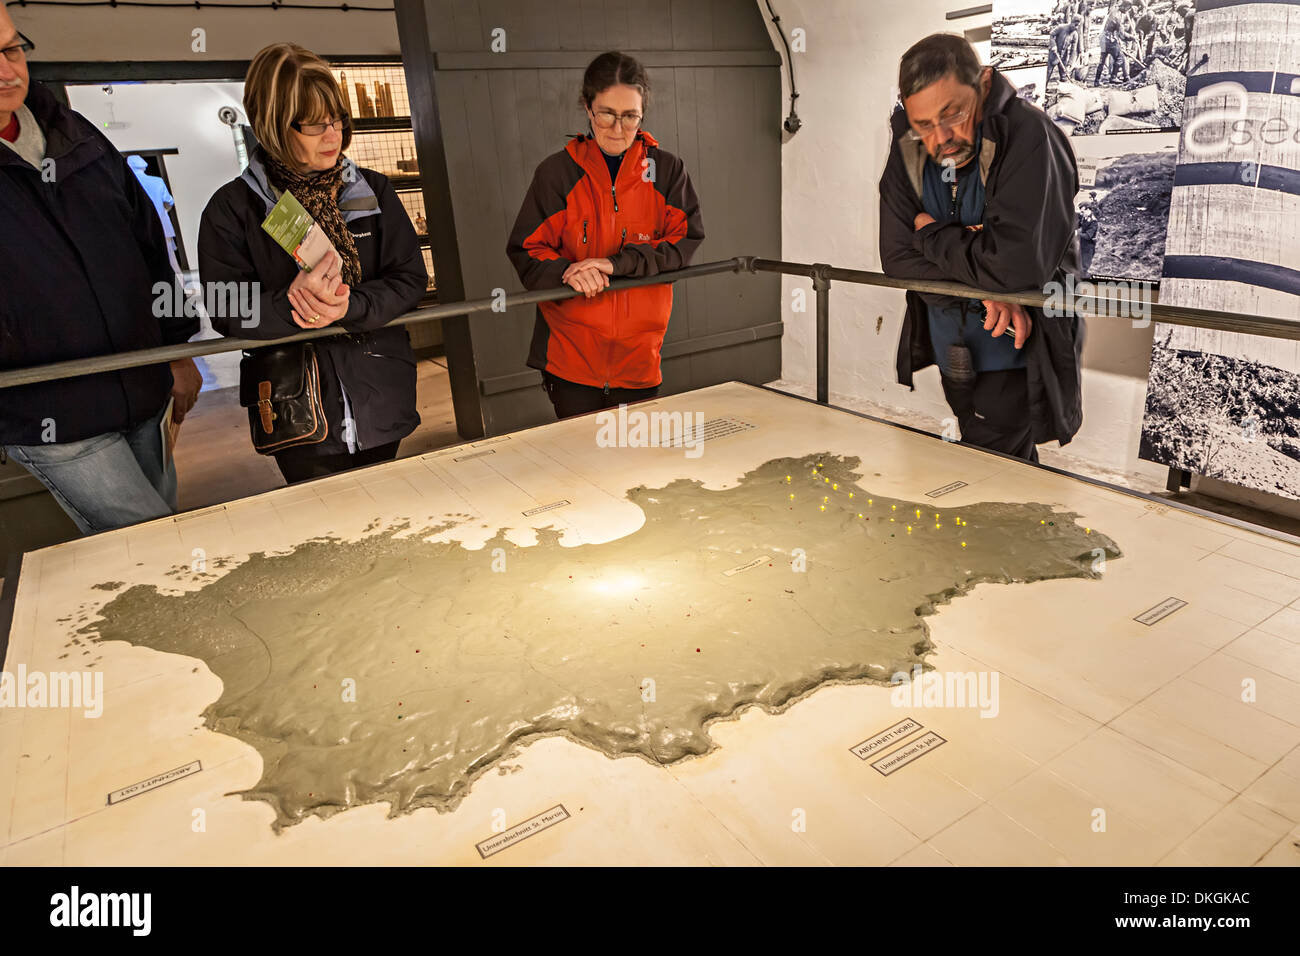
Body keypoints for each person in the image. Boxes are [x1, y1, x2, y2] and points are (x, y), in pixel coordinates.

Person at [0, 7, 202, 534]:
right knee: (154, 541)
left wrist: (176, 350)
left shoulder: (73, 130)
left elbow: (148, 244)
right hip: (50, 408)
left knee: (156, 538)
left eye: (11, 48)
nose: (7, 70)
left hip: (141, 386)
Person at [198, 43, 427, 484]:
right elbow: (226, 306)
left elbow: (409, 279)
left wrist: (350, 307)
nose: (333, 134)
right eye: (314, 124)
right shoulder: (234, 209)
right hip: (298, 408)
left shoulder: (372, 191)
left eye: (338, 119)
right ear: (271, 123)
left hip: (381, 393)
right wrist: (294, 305)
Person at [878, 33, 1085, 462]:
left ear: (984, 82)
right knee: (998, 464)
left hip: (1016, 344)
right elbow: (897, 258)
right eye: (923, 125)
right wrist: (986, 285)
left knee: (985, 461)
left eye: (953, 112)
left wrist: (929, 232)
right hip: (949, 340)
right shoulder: (909, 144)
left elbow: (1016, 268)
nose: (941, 138)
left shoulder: (1031, 136)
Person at [506, 51, 704, 419]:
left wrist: (615, 265)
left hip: (640, 358)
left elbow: (683, 243)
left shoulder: (668, 171)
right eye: (606, 114)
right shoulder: (556, 174)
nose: (617, 129)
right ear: (587, 107)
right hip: (571, 361)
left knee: (636, 467)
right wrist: (569, 271)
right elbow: (526, 249)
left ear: (643, 112)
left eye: (630, 116)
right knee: (583, 467)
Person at [128, 154, 182, 275]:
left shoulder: (129, 186)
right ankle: (180, 289)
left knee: (148, 261)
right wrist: (163, 212)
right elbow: (169, 201)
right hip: (162, 225)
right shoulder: (157, 181)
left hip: (140, 228)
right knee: (171, 259)